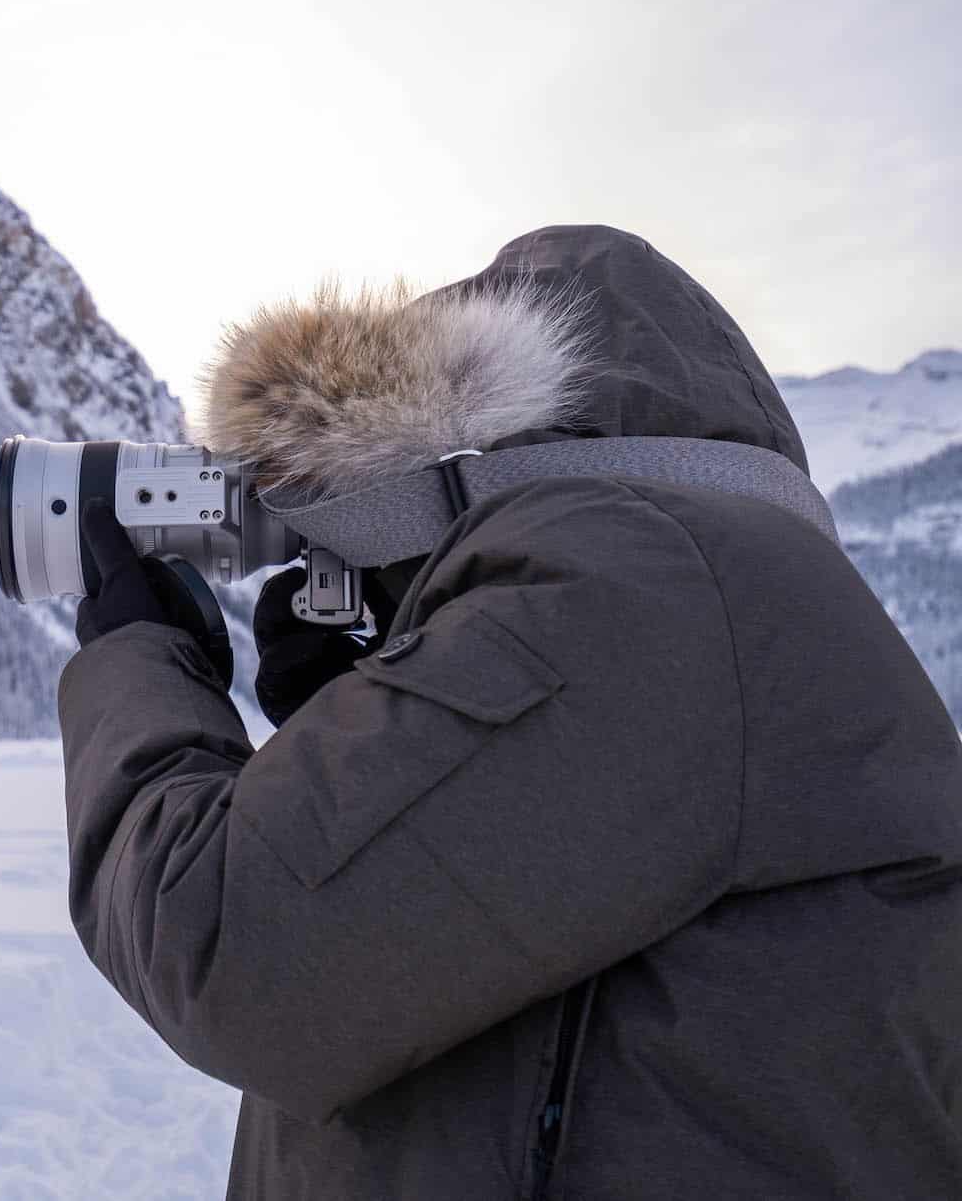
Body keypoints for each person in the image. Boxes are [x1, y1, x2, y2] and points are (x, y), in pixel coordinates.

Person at [58, 225, 962, 1199]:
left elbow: (229, 948)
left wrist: (135, 658)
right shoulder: (710, 582)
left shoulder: (642, 581)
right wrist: (365, 696)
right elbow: (516, 902)